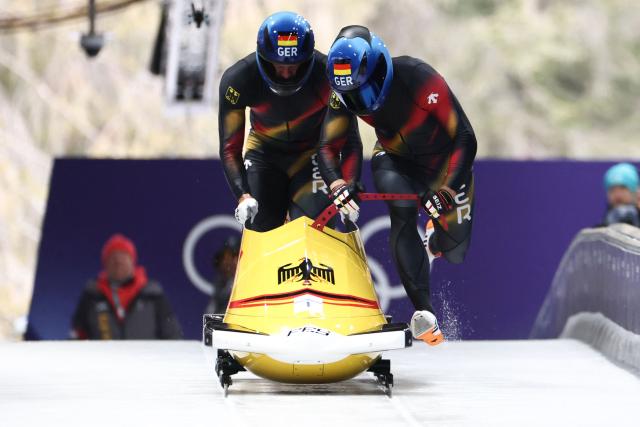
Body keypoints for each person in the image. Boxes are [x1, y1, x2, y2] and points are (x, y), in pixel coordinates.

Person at [319, 26, 477, 346]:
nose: (361, 102)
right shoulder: (343, 94)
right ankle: (425, 313)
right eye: (352, 96)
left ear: (379, 68)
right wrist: (337, 183)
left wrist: (447, 189)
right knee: (401, 212)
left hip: (443, 165)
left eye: (363, 91)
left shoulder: (419, 78)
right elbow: (326, 147)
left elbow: (464, 137)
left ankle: (435, 241)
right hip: (393, 157)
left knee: (455, 250)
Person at [219, 11, 361, 231]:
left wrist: (346, 188)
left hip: (312, 157)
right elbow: (230, 148)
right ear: (263, 59)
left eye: (294, 67)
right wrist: (243, 195)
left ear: (308, 60)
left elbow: (349, 140)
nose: (286, 74)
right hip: (264, 156)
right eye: (278, 65)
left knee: (314, 228)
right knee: (261, 224)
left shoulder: (329, 77)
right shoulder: (237, 80)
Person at [71, 234, 183, 340]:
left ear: (132, 261)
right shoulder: (93, 294)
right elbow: (78, 336)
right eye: (113, 257)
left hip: (146, 359)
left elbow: (172, 334)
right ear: (105, 263)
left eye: (123, 256)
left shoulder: (152, 294)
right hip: (103, 359)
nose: (118, 261)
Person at [204, 235, 240, 314]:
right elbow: (211, 312)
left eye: (235, 256)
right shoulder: (221, 282)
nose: (229, 262)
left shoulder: (253, 280)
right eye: (226, 257)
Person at [601, 163, 640, 227]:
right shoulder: (601, 228)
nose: (617, 195)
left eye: (623, 188)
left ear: (636, 191)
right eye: (612, 190)